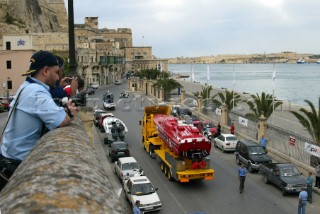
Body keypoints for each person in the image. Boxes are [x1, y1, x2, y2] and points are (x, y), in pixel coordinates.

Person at [0, 50, 77, 190]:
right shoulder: (36, 92)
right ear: (46, 71)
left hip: (8, 159)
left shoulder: (26, 87)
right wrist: (70, 114)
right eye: (56, 72)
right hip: (17, 165)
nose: (57, 78)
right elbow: (61, 120)